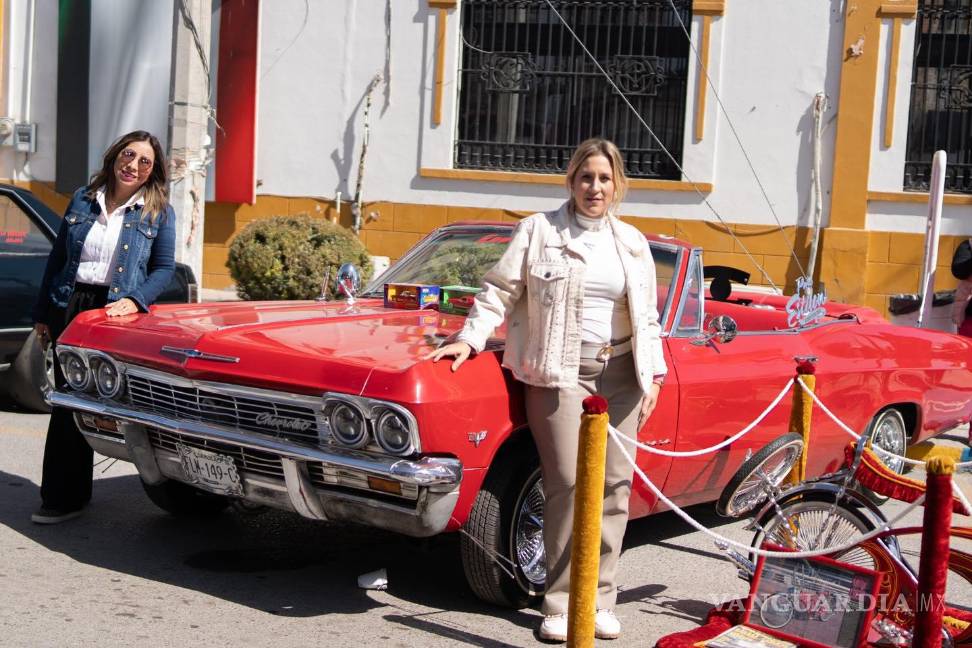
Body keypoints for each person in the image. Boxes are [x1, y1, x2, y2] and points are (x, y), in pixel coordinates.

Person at [427, 138, 667, 642]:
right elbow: (499, 291)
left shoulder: (632, 243)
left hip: (622, 374)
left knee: (614, 489)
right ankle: (561, 602)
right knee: (567, 487)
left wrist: (655, 375)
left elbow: (647, 314)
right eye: (586, 177)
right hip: (559, 374)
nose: (594, 188)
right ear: (571, 181)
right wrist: (469, 339)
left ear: (617, 184)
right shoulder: (539, 232)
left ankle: (600, 597)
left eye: (604, 179)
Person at [30, 130, 176, 524]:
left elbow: (163, 268)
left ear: (152, 171)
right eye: (129, 155)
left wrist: (137, 299)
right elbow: (58, 257)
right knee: (67, 400)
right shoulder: (82, 199)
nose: (134, 165)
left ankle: (175, 491)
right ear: (115, 157)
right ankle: (63, 496)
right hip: (70, 304)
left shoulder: (157, 210)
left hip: (116, 311)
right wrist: (42, 312)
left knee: (111, 403)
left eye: (144, 161)